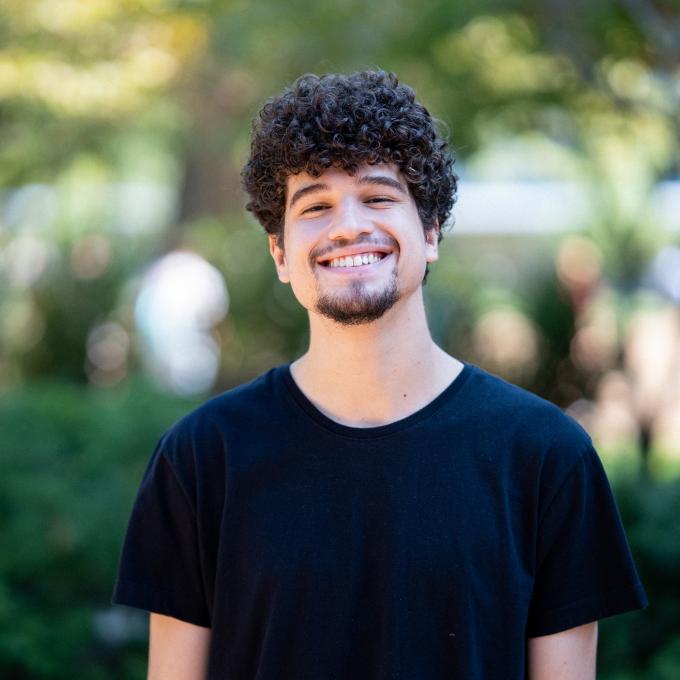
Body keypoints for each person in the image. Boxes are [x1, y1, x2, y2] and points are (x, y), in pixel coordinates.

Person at [112, 70, 648, 679]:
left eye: (378, 196)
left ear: (430, 230)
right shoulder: (202, 459)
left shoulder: (546, 457)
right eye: (314, 205)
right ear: (280, 254)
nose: (347, 226)